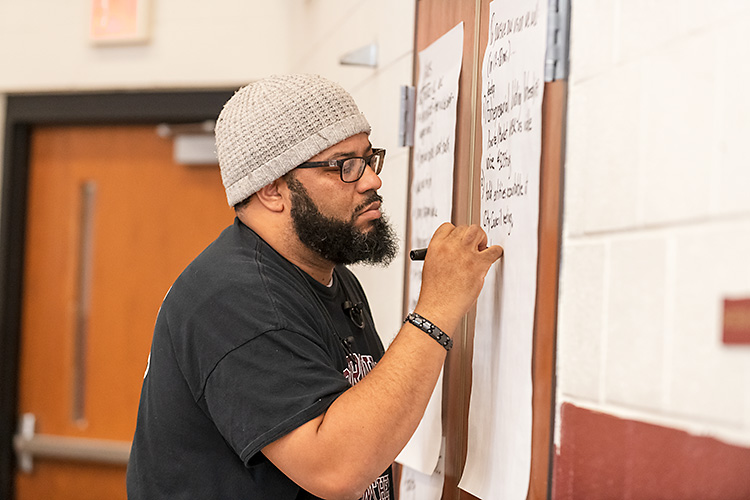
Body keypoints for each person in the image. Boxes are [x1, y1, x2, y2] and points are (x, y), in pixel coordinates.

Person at [126, 74, 503, 500]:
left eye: (368, 158)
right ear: (272, 191)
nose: (371, 181)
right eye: (345, 166)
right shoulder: (234, 298)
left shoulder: (329, 277)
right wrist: (435, 310)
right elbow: (335, 469)